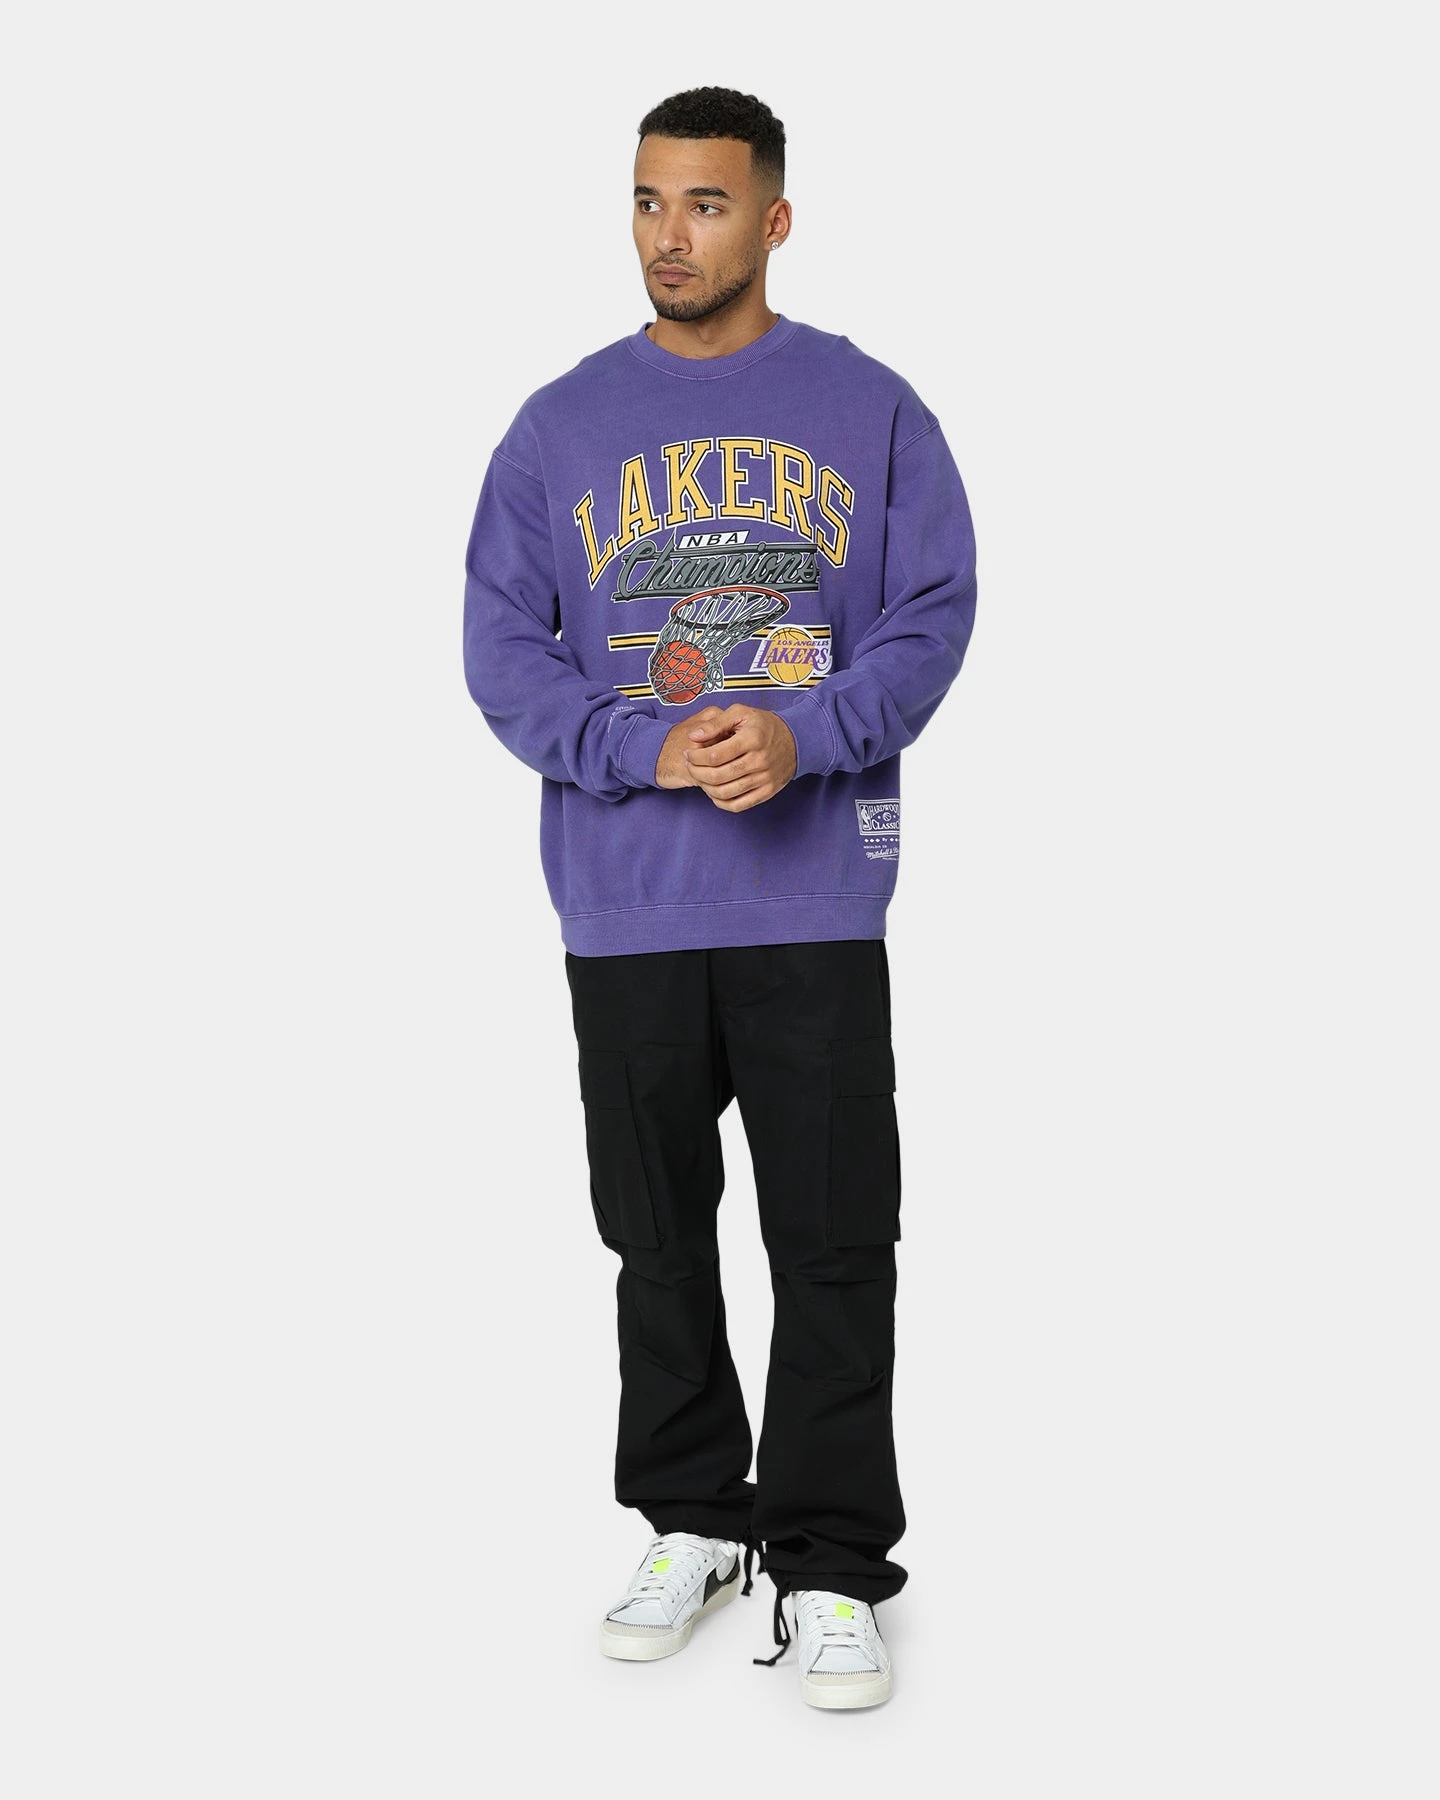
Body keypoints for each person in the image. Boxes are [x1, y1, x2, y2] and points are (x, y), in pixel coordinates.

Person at [462, 86, 977, 1711]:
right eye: (646, 201)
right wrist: (641, 746)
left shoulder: (869, 409)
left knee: (835, 1240)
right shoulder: (557, 426)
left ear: (774, 218)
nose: (668, 235)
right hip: (627, 901)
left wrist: (811, 731)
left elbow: (933, 612)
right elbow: (502, 647)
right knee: (656, 1238)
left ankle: (829, 1560)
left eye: (703, 203)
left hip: (813, 896)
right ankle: (694, 1516)